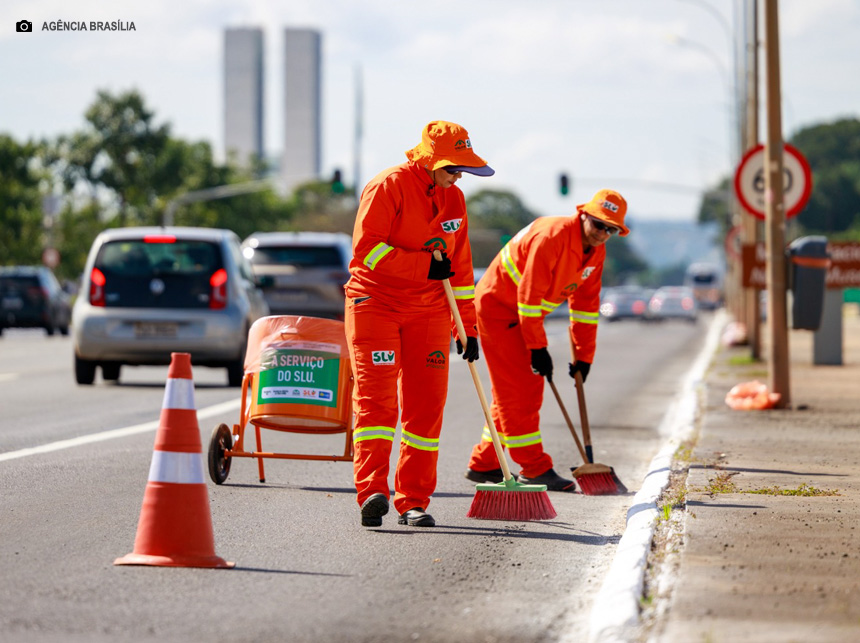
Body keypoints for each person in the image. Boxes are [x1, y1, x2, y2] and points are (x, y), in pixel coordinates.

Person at [345, 120, 494, 528]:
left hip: (429, 311)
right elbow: (366, 253)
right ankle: (372, 490)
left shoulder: (455, 201)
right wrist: (423, 264)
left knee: (426, 409)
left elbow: (461, 273)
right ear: (429, 160)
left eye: (462, 169)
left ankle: (413, 501)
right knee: (377, 403)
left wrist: (468, 329)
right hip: (375, 302)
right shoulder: (387, 186)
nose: (458, 175)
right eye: (452, 167)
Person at [464, 189, 629, 491]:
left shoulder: (596, 251)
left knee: (509, 394)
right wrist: (537, 348)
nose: (603, 233)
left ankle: (484, 463)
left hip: (522, 313)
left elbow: (586, 308)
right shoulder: (552, 237)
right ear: (583, 216)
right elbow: (528, 298)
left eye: (611, 229)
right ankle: (534, 468)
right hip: (498, 310)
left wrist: (583, 357)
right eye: (599, 225)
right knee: (523, 389)